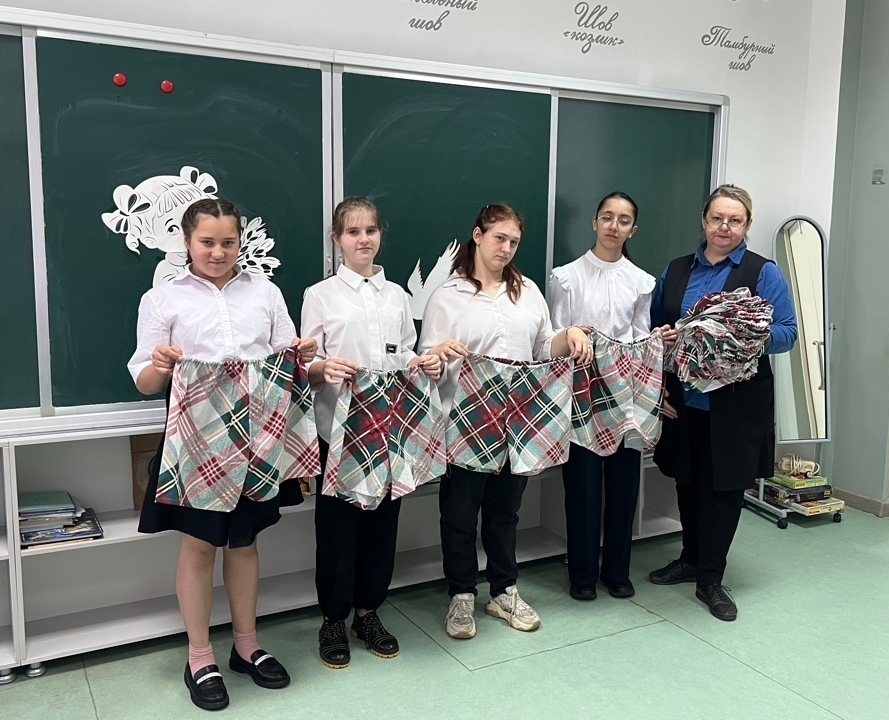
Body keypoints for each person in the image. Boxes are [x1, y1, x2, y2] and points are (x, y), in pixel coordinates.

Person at [128, 198, 318, 711]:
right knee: (198, 548)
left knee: (244, 542)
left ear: (240, 242)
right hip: (196, 442)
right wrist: (161, 365)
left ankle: (246, 646)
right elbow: (144, 380)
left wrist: (304, 355)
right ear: (187, 242)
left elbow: (290, 360)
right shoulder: (162, 298)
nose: (218, 252)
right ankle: (199, 657)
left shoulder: (266, 292)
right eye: (207, 242)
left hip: (258, 441)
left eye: (228, 242)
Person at [419, 203, 593, 639]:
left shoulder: (527, 291)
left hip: (518, 426)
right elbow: (426, 360)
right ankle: (461, 594)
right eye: (499, 238)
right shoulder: (447, 295)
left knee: (505, 513)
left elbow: (542, 348)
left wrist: (568, 335)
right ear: (477, 235)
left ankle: (503, 590)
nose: (506, 248)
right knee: (459, 514)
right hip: (463, 424)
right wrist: (438, 354)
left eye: (514, 242)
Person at [301, 197, 442, 669]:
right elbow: (307, 363)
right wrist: (323, 368)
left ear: (381, 234)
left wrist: (422, 362)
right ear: (337, 239)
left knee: (382, 526)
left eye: (371, 230)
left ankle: (368, 612)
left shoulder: (397, 296)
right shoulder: (320, 295)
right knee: (338, 530)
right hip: (338, 431)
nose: (363, 239)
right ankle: (333, 618)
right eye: (352, 231)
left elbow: (404, 353)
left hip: (390, 429)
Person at [646, 184, 797, 622]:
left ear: (746, 225)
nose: (724, 227)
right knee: (687, 482)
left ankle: (711, 578)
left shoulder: (762, 272)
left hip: (735, 406)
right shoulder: (676, 270)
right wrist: (664, 346)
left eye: (734, 220)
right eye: (716, 218)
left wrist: (737, 336)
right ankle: (690, 559)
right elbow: (656, 327)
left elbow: (787, 332)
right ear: (704, 220)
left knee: (724, 490)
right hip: (684, 401)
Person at [549, 191, 656, 601]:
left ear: (633, 229)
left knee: (625, 487)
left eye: (623, 220)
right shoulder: (566, 278)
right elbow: (556, 337)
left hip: (627, 400)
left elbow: (642, 341)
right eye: (607, 217)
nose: (614, 226)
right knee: (583, 488)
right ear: (594, 222)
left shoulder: (641, 282)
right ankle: (582, 574)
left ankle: (617, 571)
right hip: (580, 398)